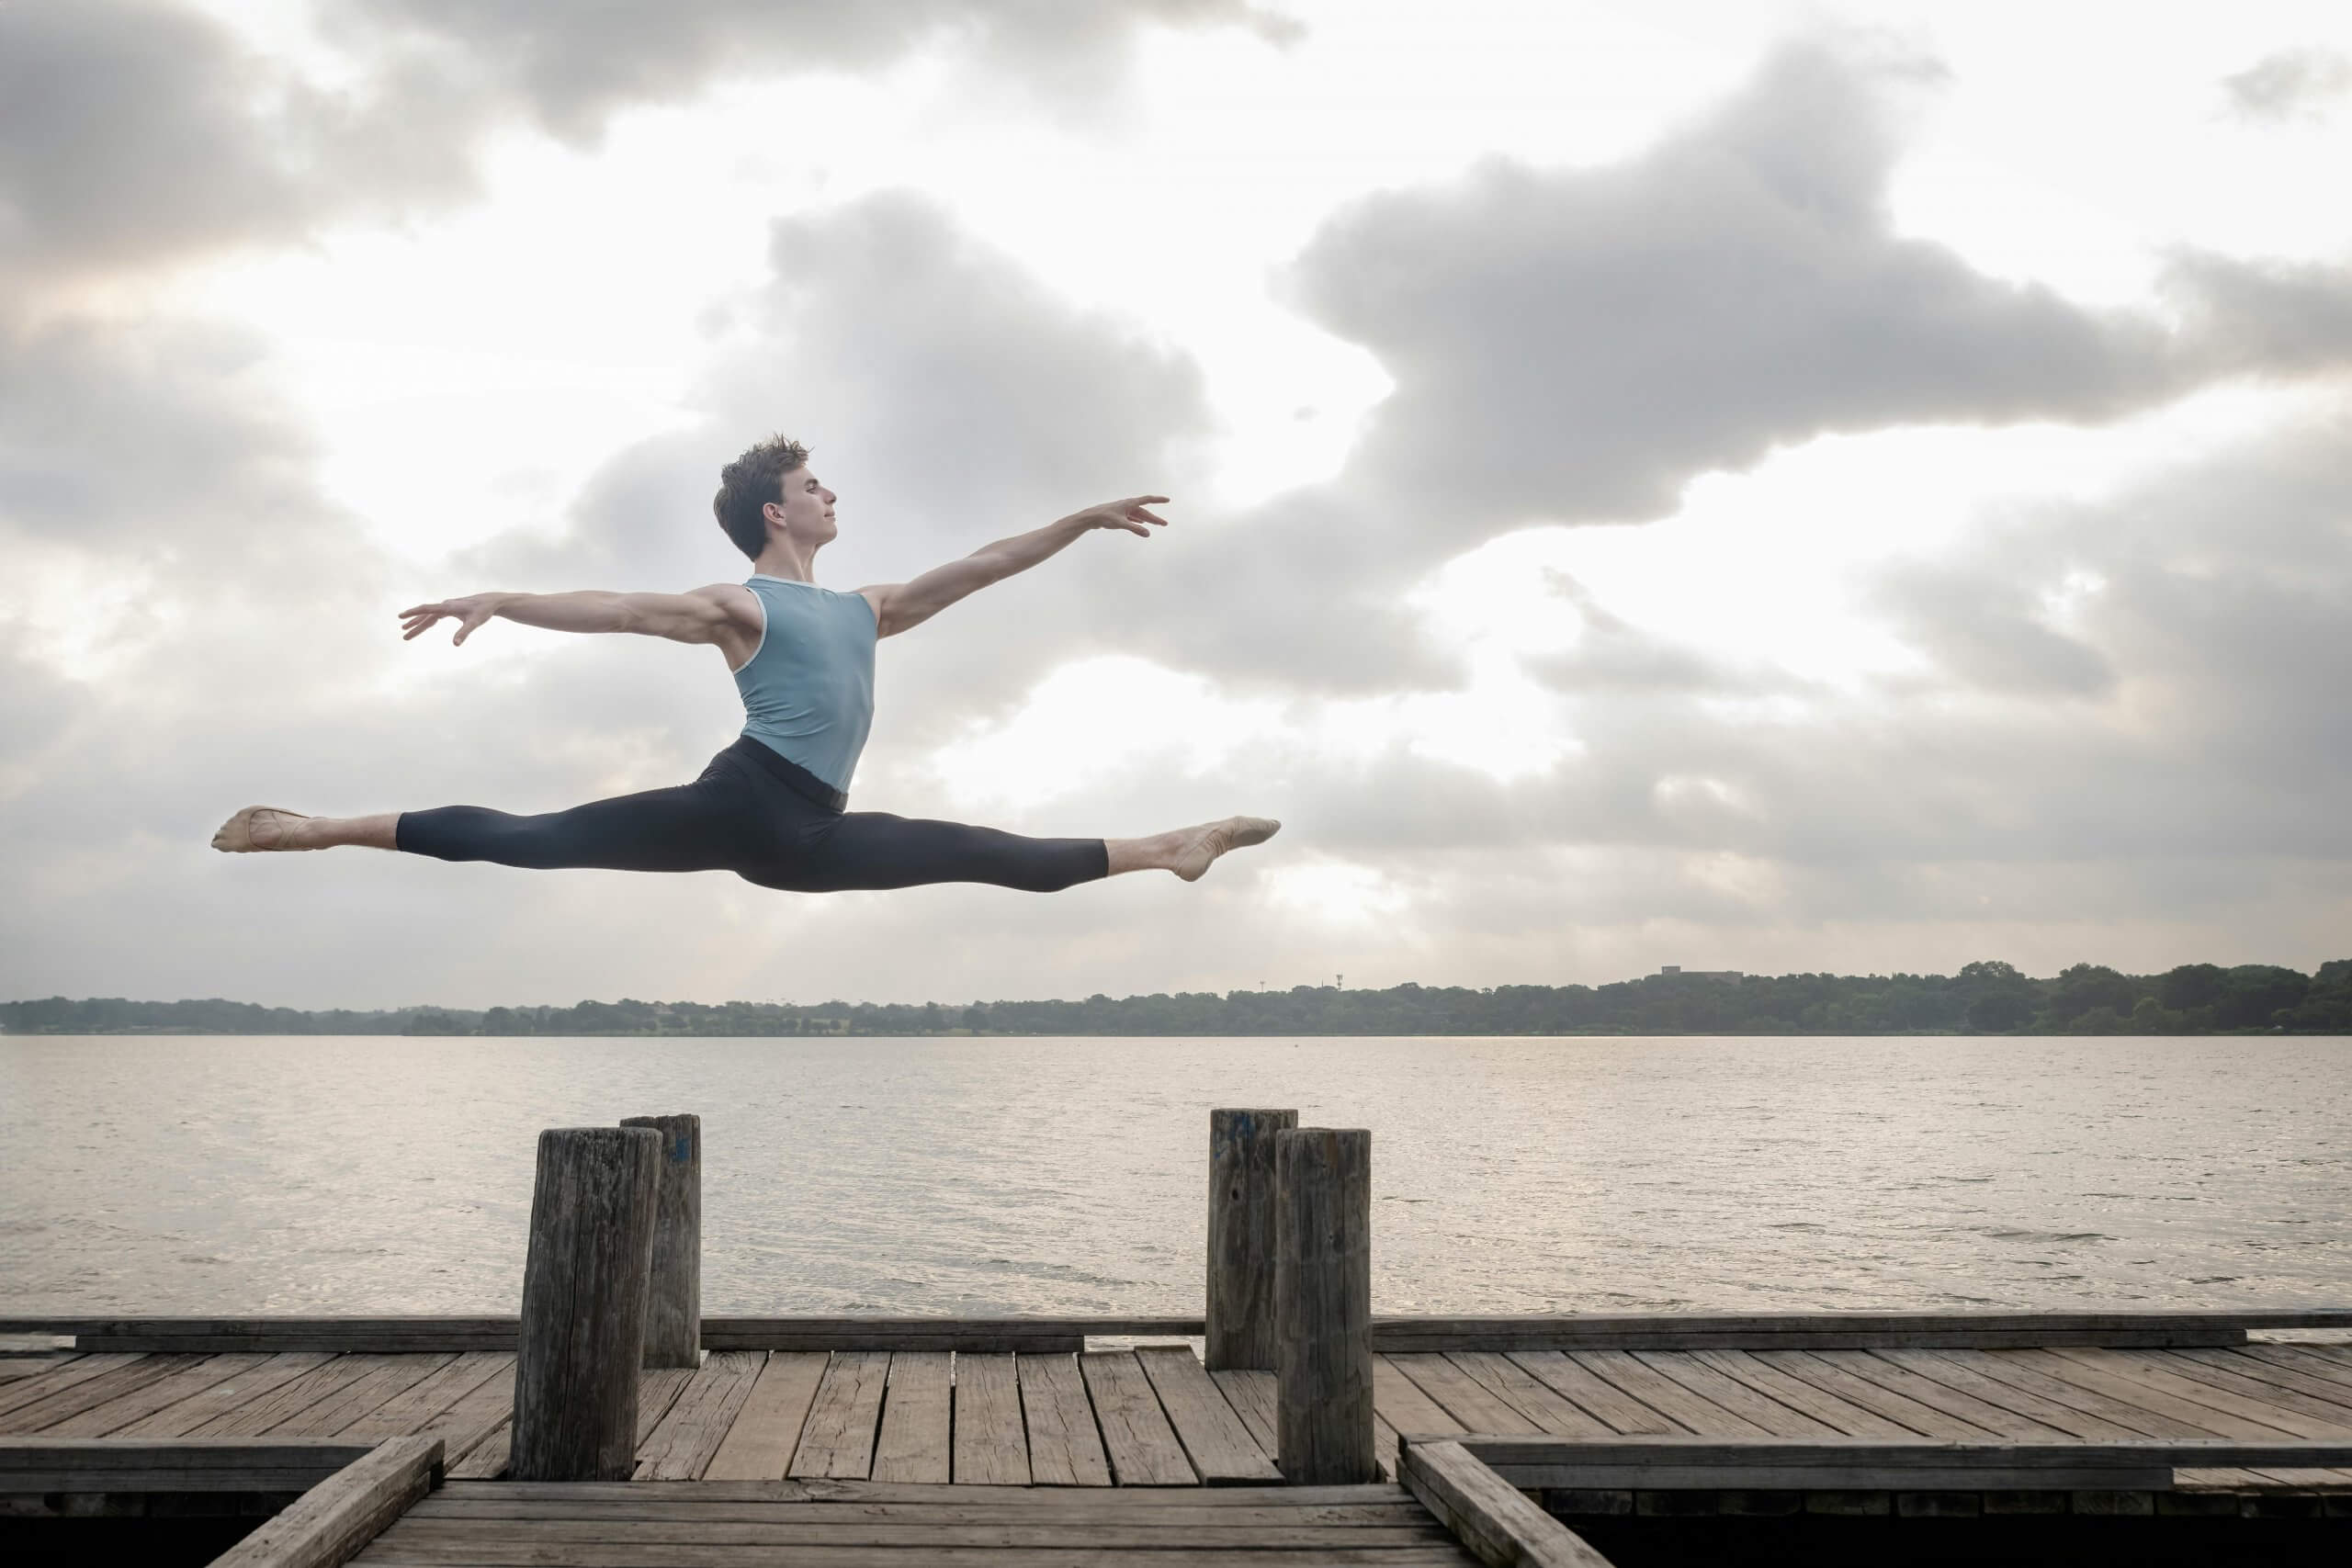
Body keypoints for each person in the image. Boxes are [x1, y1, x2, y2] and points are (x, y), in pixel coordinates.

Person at [212, 434, 1278, 893]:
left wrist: (1078, 520)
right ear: (777, 510)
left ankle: (1173, 848)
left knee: (990, 854)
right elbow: (621, 607)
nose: (830, 497)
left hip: (805, 836)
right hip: (750, 803)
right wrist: (504, 598)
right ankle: (310, 829)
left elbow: (985, 565)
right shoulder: (741, 604)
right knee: (529, 843)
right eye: (815, 486)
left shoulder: (870, 608)